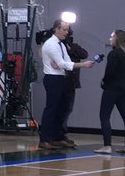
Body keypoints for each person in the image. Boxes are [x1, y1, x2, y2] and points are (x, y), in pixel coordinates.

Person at [38, 20, 94, 150]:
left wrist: (65, 64)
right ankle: (44, 139)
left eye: (67, 30)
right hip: (53, 78)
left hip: (61, 78)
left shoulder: (61, 45)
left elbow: (65, 62)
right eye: (64, 29)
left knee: (61, 109)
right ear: (56, 29)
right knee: (51, 109)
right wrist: (83, 65)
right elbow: (63, 64)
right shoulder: (51, 44)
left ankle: (57, 137)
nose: (66, 32)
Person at [95, 29, 125, 154]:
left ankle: (107, 146)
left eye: (112, 36)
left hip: (112, 87)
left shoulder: (114, 54)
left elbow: (109, 72)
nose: (110, 39)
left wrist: (104, 81)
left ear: (118, 39)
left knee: (104, 115)